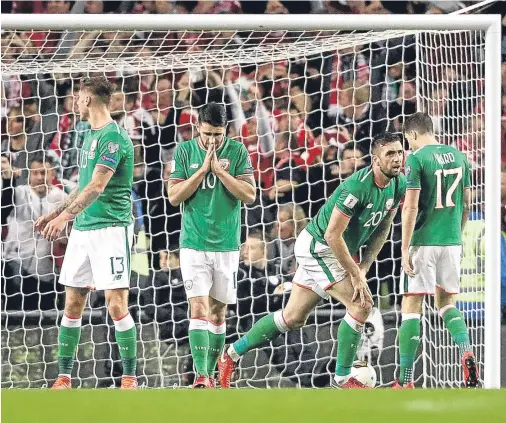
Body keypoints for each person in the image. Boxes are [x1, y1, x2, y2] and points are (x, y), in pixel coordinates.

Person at [219, 132, 406, 389]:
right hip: (319, 246)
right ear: (375, 160)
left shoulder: (399, 184)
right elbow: (332, 235)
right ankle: (343, 379)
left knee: (293, 317)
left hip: (330, 249)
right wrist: (354, 273)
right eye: (390, 154)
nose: (398, 158)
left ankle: (231, 354)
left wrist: (364, 267)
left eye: (400, 152)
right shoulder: (356, 187)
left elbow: (384, 225)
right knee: (362, 304)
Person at [34, 76, 137, 390]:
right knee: (72, 304)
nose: (75, 103)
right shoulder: (88, 135)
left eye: (78, 98)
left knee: (116, 304)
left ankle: (130, 379)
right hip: (83, 230)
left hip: (111, 229)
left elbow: (97, 186)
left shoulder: (114, 137)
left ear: (89, 99)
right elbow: (81, 186)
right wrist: (53, 213)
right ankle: (64, 378)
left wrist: (64, 216)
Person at [167, 102, 256, 388]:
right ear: (197, 128)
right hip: (193, 243)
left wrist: (219, 172)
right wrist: (202, 170)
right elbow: (174, 197)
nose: (212, 140)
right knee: (198, 308)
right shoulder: (184, 151)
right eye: (207, 133)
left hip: (227, 244)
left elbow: (250, 195)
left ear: (225, 130)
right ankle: (202, 375)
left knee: (218, 313)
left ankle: (214, 374)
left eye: (217, 134)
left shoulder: (237, 151)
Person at [395, 112, 478, 389]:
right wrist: (458, 233)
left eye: (408, 140)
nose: (408, 146)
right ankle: (466, 350)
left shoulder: (416, 159)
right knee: (446, 304)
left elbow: (410, 206)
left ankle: (405, 381)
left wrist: (405, 247)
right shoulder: (460, 156)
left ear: (413, 134)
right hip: (452, 241)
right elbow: (467, 203)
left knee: (411, 307)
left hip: (423, 241)